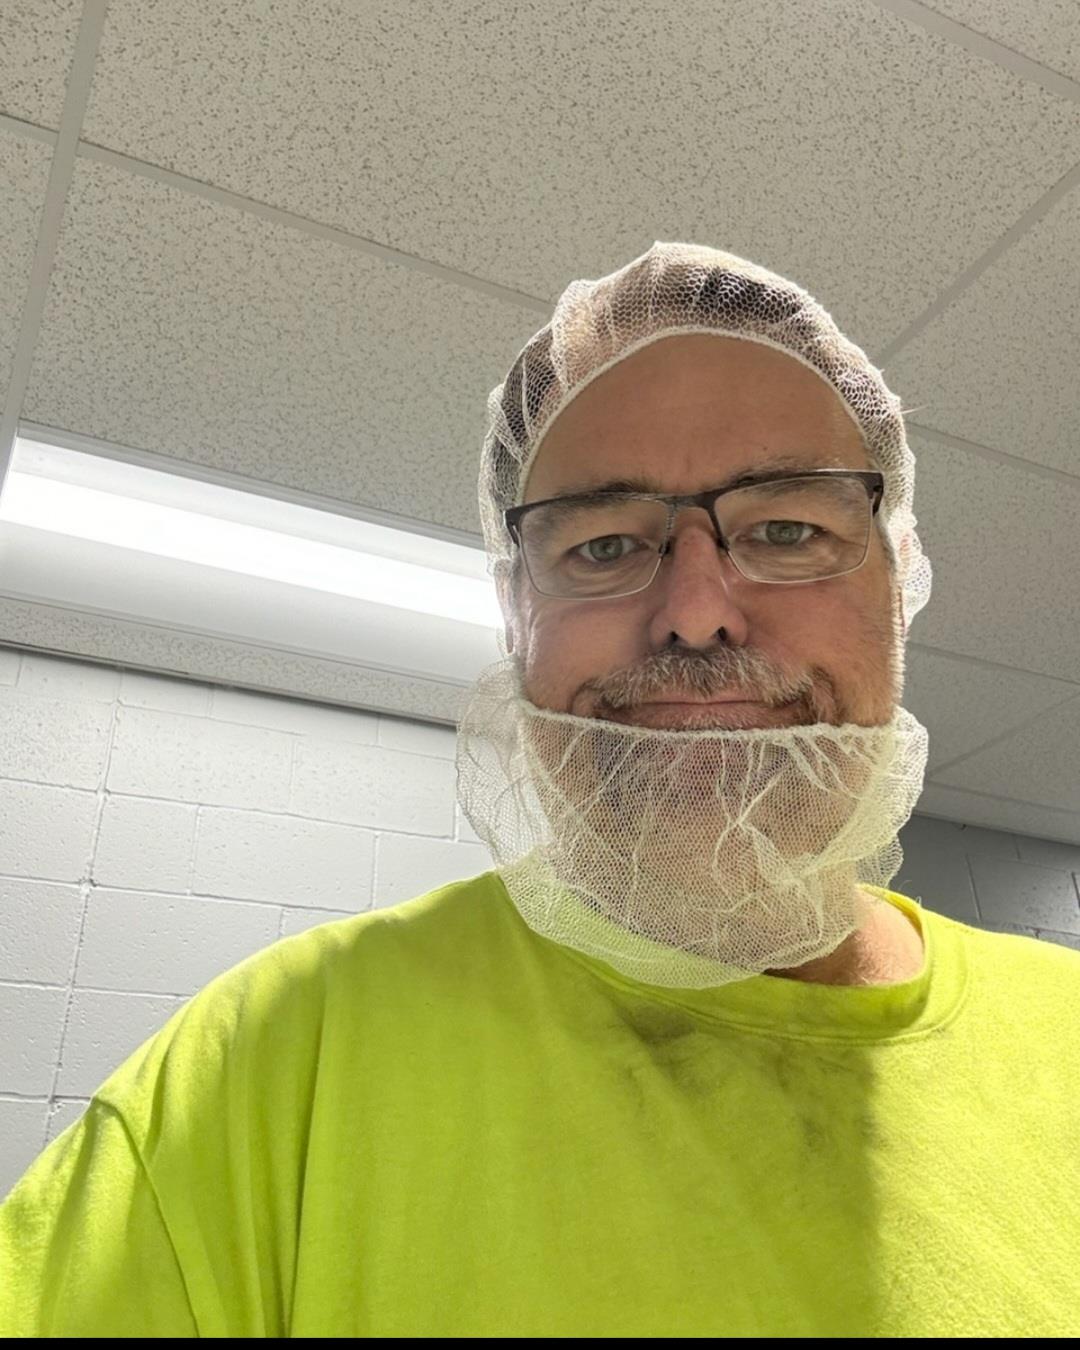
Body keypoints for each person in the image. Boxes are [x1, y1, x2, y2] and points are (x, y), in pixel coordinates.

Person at [2, 242, 1078, 1338]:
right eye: (606, 543)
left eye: (790, 529)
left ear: (898, 585)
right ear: (517, 618)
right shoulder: (267, 1069)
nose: (696, 609)